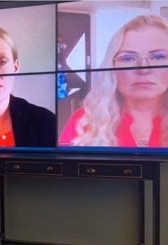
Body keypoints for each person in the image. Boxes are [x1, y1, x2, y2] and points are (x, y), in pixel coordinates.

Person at [59, 15, 168, 147]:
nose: (143, 69)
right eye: (128, 58)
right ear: (112, 67)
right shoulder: (83, 122)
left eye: (158, 57)